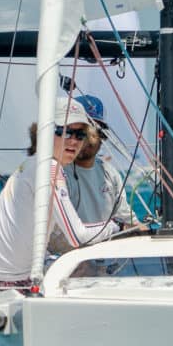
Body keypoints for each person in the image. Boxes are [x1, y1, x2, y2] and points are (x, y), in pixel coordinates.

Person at [0, 97, 121, 296]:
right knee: (90, 276)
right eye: (63, 131)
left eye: (80, 134)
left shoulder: (35, 161)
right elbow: (77, 236)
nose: (73, 140)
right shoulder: (49, 168)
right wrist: (117, 226)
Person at [48, 94, 136, 254]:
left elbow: (127, 220)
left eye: (95, 130)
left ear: (102, 136)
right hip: (67, 260)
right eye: (83, 130)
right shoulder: (57, 172)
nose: (88, 138)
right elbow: (55, 237)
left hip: (106, 260)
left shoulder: (110, 173)